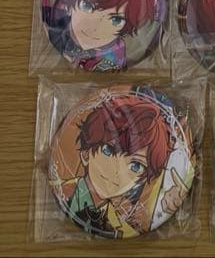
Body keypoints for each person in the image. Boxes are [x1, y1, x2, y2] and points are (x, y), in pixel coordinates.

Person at [54, 91, 183, 237]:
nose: (117, 172)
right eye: (108, 150)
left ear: (140, 180)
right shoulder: (64, 192)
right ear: (85, 154)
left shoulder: (118, 227)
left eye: (136, 166)